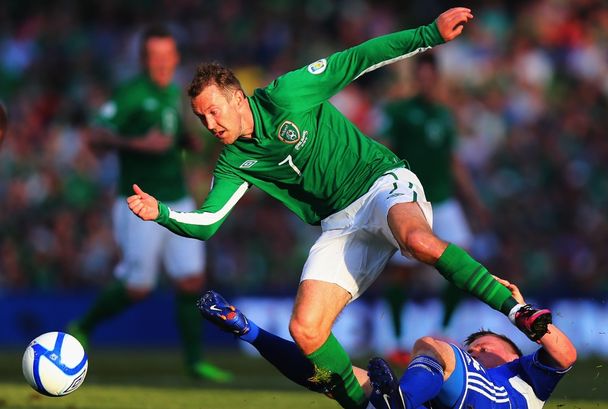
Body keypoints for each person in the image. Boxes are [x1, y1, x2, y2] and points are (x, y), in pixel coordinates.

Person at [127, 8, 551, 408]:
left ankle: (517, 310)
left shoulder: (288, 93)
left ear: (238, 98)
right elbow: (207, 222)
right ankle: (378, 405)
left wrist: (429, 34)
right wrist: (160, 213)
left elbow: (358, 58)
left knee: (417, 241)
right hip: (341, 225)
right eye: (201, 118)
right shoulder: (234, 161)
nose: (210, 125)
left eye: (213, 112)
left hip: (380, 183)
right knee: (306, 330)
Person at [67, 25, 232, 382]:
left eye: (167, 55)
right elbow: (95, 136)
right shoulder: (132, 93)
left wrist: (185, 141)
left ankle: (194, 362)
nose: (162, 63)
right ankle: (82, 326)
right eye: (155, 56)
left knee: (191, 280)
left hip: (177, 198)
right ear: (144, 59)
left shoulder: (174, 93)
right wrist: (139, 143)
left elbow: (171, 138)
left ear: (175, 57)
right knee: (137, 287)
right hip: (139, 203)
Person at [378, 52, 491, 366]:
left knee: (465, 263)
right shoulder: (400, 112)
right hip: (411, 202)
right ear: (417, 78)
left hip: (443, 200)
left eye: (431, 77)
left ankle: (444, 330)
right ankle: (397, 341)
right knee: (401, 273)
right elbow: (384, 151)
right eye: (422, 77)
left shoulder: (444, 115)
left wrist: (475, 202)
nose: (427, 83)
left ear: (436, 79)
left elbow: (453, 162)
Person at [368, 276, 577, 409]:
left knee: (431, 346)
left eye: (483, 348)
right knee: (362, 381)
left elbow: (566, 354)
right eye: (470, 352)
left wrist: (520, 311)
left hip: (495, 402)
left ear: (513, 356)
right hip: (460, 399)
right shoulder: (451, 381)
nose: (474, 352)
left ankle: (399, 402)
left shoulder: (526, 373)